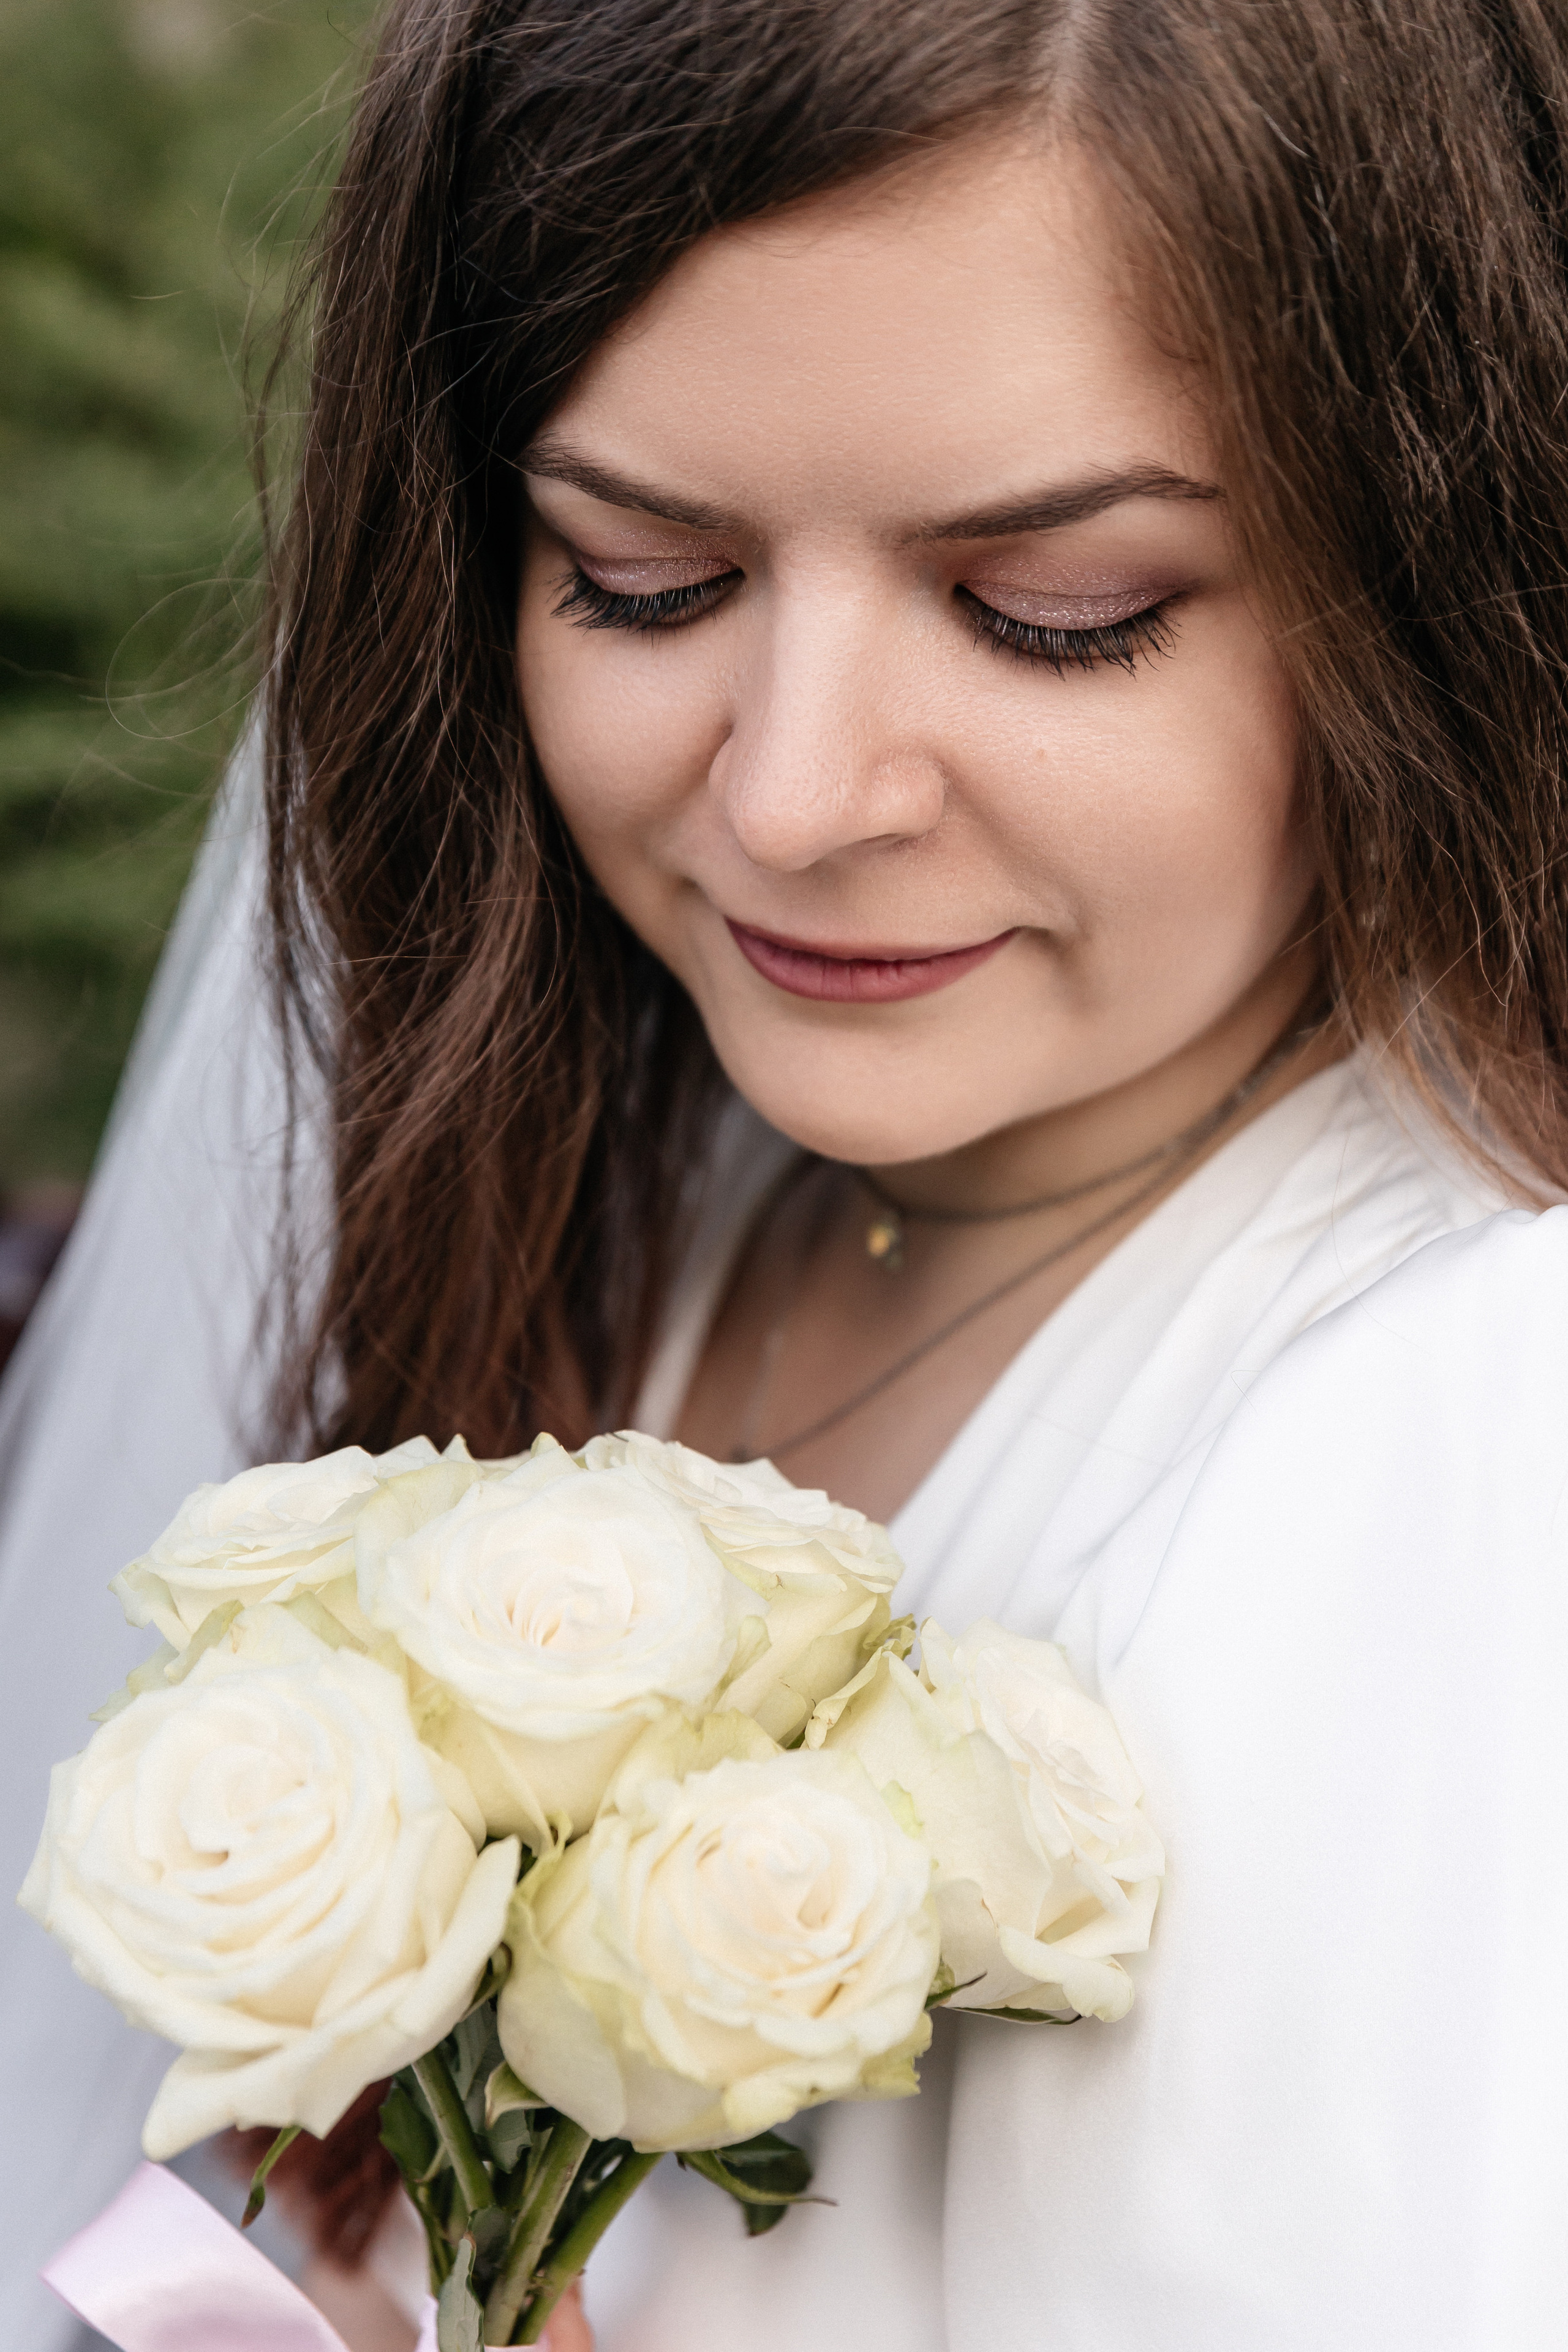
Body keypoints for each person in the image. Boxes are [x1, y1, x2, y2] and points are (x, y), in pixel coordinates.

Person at [4, 0, 1568, 2344]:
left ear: (1428, 579)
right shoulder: (624, 1172)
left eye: (1058, 614)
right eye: (642, 578)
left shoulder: (1458, 1446)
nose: (793, 799)